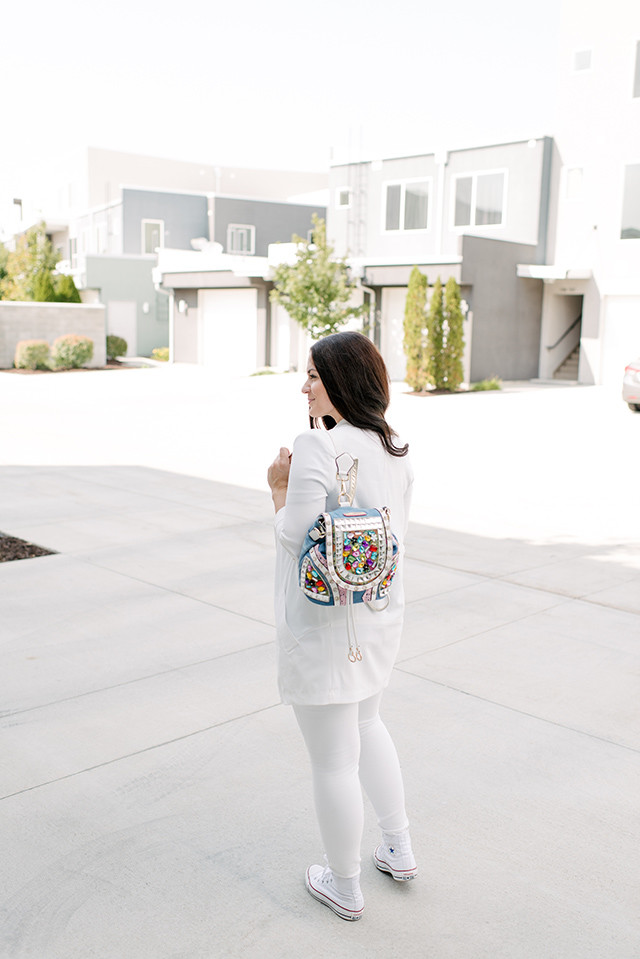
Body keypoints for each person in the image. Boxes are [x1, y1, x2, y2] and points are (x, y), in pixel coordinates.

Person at [267, 331, 417, 922]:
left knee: (332, 759)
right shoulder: (396, 444)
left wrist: (277, 490)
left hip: (325, 624)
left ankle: (345, 884)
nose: (304, 387)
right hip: (379, 615)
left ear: (342, 382)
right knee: (369, 723)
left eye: (313, 375)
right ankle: (399, 848)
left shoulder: (315, 446)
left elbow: (292, 536)